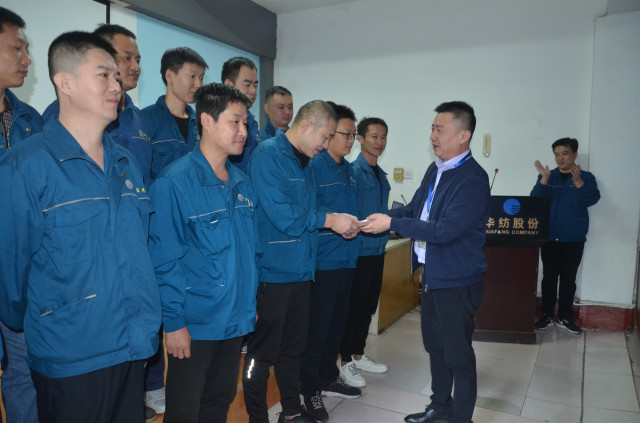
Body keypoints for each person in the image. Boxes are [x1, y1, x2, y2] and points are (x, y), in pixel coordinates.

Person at [0, 31, 161, 423]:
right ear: (65, 82)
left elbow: (138, 251)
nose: (116, 85)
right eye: (103, 75)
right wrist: (49, 320)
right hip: (72, 355)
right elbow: (10, 276)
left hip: (132, 345)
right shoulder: (27, 165)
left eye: (116, 76)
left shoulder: (125, 163)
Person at [362, 101, 489, 423]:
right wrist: (379, 218)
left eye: (439, 129)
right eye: (432, 128)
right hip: (432, 274)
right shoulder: (437, 169)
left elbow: (444, 230)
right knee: (435, 347)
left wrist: (392, 224)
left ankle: (461, 418)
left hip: (458, 279)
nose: (432, 135)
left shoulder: (473, 179)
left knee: (458, 353)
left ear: (463, 135)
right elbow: (415, 210)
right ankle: (439, 407)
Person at [242, 100, 359, 423]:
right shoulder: (268, 155)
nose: (326, 144)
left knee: (293, 349)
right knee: (262, 354)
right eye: (326, 136)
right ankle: (257, 417)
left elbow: (307, 213)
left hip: (302, 271)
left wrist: (335, 221)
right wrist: (330, 220)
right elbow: (285, 216)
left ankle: (292, 411)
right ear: (307, 125)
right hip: (273, 273)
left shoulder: (305, 161)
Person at [149, 83, 258, 423]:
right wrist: (174, 323)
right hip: (195, 324)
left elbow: (248, 255)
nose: (243, 131)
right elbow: (164, 260)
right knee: (185, 409)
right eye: (235, 122)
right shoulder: (174, 183)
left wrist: (248, 307)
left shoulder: (241, 183)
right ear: (207, 122)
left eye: (246, 123)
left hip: (234, 319)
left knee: (219, 400)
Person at [300, 103, 361, 423]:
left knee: (336, 327)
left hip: (347, 260)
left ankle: (328, 377)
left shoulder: (348, 170)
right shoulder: (315, 166)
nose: (350, 140)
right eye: (345, 134)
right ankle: (309, 388)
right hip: (324, 262)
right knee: (317, 331)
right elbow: (311, 213)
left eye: (353, 135)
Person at [0, 7, 43, 423]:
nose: (27, 59)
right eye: (18, 48)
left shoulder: (29, 120)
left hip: (21, 274)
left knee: (24, 374)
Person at [338, 117, 391, 388]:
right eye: (374, 136)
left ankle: (358, 355)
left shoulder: (381, 175)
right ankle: (345, 360)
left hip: (378, 250)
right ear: (360, 138)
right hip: (358, 251)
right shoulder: (353, 172)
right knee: (354, 308)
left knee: (368, 307)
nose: (379, 142)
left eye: (383, 137)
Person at [531, 138, 600, 334]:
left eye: (565, 153)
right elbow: (535, 201)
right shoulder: (548, 175)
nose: (560, 158)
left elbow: (592, 198)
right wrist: (544, 180)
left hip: (573, 236)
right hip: (550, 236)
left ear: (574, 155)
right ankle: (546, 315)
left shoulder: (586, 177)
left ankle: (564, 317)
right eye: (556, 154)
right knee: (549, 277)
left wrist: (578, 182)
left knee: (569, 279)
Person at [143, 47, 207, 181]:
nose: (198, 84)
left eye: (201, 78)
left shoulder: (202, 123)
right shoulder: (144, 120)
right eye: (192, 76)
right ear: (169, 76)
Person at [222, 56, 260, 171]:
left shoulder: (251, 121)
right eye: (247, 85)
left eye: (255, 86)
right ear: (229, 85)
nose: (253, 91)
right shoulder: (218, 120)